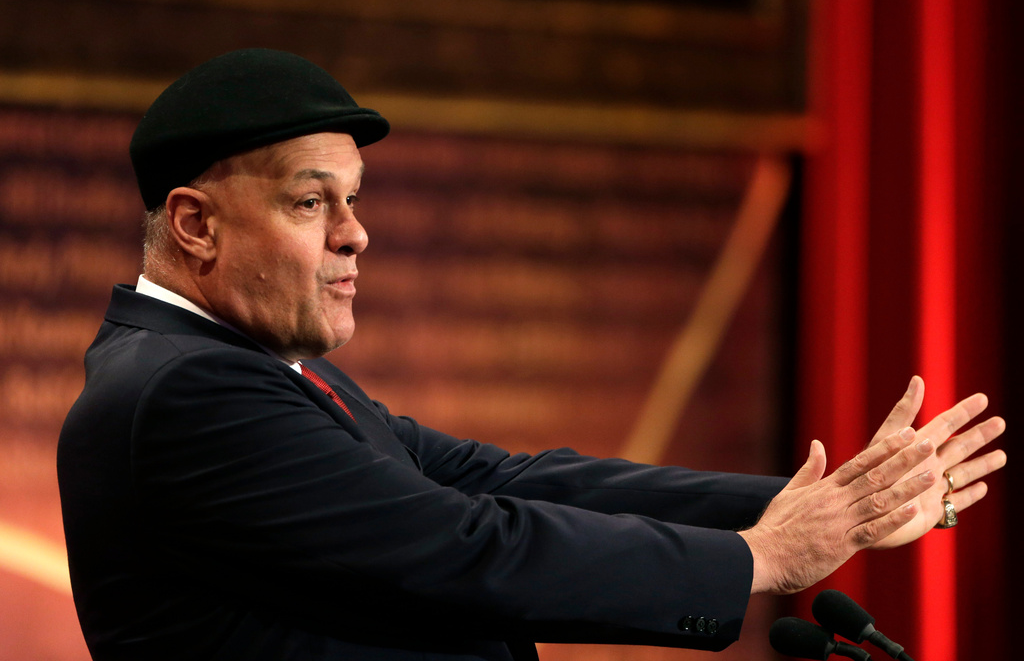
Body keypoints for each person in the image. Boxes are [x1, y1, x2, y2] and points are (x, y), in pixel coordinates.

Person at [57, 49, 1006, 661]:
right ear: (195, 225)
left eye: (353, 199)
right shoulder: (187, 393)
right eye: (313, 203)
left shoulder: (246, 367)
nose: (356, 236)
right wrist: (754, 561)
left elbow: (509, 481)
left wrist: (813, 506)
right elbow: (466, 548)